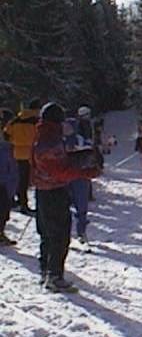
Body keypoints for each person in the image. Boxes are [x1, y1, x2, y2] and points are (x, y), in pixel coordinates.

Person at [31, 103, 100, 292]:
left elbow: (61, 160)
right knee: (58, 235)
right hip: (53, 192)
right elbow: (58, 170)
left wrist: (83, 155)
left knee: (48, 234)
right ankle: (54, 276)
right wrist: (85, 173)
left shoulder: (46, 136)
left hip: (45, 191)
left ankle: (47, 271)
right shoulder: (50, 140)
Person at [4, 98, 41, 214]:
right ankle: (23, 204)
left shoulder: (15, 120)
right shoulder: (36, 121)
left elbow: (6, 134)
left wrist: (14, 140)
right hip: (30, 154)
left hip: (15, 153)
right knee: (25, 180)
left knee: (15, 179)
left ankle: (15, 200)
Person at [63, 117, 94, 245]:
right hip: (64, 177)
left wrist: (78, 151)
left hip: (80, 177)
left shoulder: (81, 139)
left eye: (69, 127)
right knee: (63, 206)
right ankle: (64, 234)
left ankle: (81, 232)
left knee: (81, 206)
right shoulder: (59, 140)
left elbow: (90, 153)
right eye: (65, 127)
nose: (66, 129)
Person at [0, 125, 19, 246]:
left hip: (6, 182)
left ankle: (1, 233)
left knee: (4, 210)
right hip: (4, 182)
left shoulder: (7, 148)